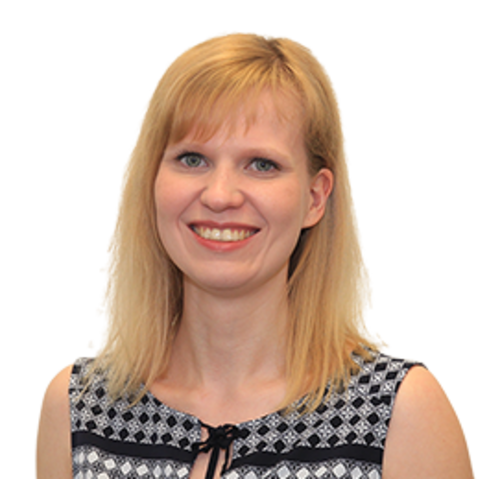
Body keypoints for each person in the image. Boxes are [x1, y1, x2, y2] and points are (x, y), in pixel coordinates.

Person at [35, 30, 476, 479]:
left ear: (315, 197)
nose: (220, 195)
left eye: (262, 165)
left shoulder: (399, 412)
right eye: (192, 159)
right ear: (153, 179)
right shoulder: (76, 409)